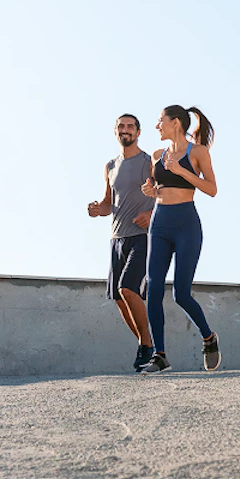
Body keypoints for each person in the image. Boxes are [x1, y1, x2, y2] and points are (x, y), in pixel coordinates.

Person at [138, 106, 221, 374]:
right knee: (153, 289)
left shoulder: (198, 152)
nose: (157, 126)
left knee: (181, 294)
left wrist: (183, 171)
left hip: (186, 224)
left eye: (160, 121)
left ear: (175, 123)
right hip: (159, 223)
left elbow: (211, 189)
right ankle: (160, 355)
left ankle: (209, 338)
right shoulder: (156, 155)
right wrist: (151, 191)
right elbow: (158, 187)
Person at [88, 114, 155, 371]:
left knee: (129, 288)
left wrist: (151, 214)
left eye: (130, 127)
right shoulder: (110, 166)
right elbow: (109, 202)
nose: (125, 130)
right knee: (118, 297)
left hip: (143, 237)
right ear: (115, 132)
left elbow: (165, 193)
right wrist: (98, 208)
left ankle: (147, 345)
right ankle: (144, 344)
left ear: (138, 132)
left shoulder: (149, 162)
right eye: (121, 127)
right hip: (117, 237)